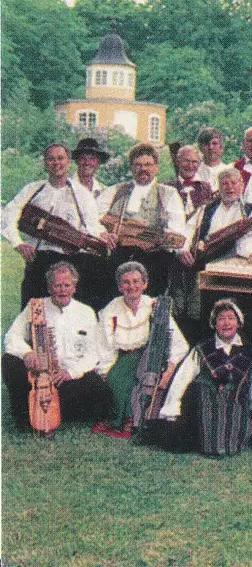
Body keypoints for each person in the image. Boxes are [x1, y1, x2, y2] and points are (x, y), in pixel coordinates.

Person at [2, 261, 113, 432]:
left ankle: (49, 409)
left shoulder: (86, 312)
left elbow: (93, 354)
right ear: (49, 288)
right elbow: (12, 337)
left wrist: (70, 373)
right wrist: (27, 353)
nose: (62, 290)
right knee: (9, 361)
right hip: (38, 375)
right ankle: (24, 417)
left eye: (67, 285)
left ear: (74, 288)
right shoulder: (36, 307)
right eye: (57, 285)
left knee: (102, 396)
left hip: (68, 377)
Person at [156, 299, 252, 457]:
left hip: (237, 406)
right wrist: (172, 407)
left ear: (238, 323)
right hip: (208, 407)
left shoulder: (251, 351)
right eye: (221, 319)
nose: (226, 323)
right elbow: (182, 379)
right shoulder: (202, 349)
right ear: (214, 323)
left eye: (231, 318)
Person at [3, 142, 110, 307]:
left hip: (71, 259)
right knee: (34, 309)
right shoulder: (32, 190)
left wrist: (103, 235)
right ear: (45, 163)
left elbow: (92, 226)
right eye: (51, 159)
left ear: (68, 162)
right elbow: (7, 216)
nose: (56, 163)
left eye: (60, 158)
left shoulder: (82, 194)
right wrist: (19, 244)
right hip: (40, 259)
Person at [94, 260, 188, 438]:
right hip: (122, 357)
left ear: (145, 284)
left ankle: (129, 421)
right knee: (117, 378)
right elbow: (104, 344)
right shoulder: (111, 309)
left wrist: (169, 370)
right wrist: (106, 370)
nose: (132, 286)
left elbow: (180, 344)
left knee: (140, 375)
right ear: (120, 287)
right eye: (126, 282)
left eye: (136, 281)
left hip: (150, 357)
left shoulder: (155, 307)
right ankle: (125, 421)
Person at [98, 143, 188, 298]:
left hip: (153, 258)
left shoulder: (168, 194)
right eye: (138, 165)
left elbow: (177, 229)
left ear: (156, 167)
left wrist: (161, 240)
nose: (143, 169)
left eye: (148, 164)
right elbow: (93, 216)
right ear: (131, 167)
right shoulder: (115, 191)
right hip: (117, 254)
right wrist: (102, 233)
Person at [166, 144, 214, 221]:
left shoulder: (206, 188)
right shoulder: (167, 187)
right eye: (186, 161)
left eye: (194, 162)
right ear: (178, 162)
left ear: (199, 164)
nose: (190, 166)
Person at [195, 128, 228, 192]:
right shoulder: (194, 172)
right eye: (206, 144)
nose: (210, 147)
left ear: (221, 147)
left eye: (214, 143)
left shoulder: (228, 171)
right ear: (200, 148)